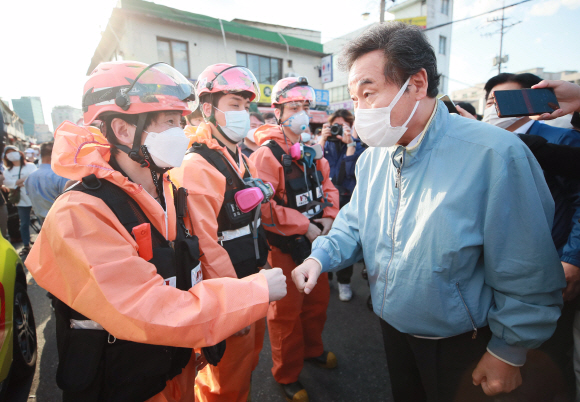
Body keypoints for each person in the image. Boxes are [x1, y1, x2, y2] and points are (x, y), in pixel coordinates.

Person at [291, 22, 565, 401]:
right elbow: (355, 223)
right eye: (354, 99)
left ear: (417, 83)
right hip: (392, 328)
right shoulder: (374, 158)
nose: (360, 110)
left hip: (463, 340)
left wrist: (509, 349)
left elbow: (527, 265)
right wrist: (320, 257)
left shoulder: (494, 154)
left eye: (368, 93)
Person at [25, 60, 287, 402]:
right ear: (122, 130)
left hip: (172, 367)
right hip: (124, 383)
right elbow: (145, 308)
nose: (183, 132)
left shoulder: (165, 189)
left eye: (181, 121)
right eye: (169, 122)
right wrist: (248, 295)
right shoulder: (80, 212)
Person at [170, 63, 274, 402]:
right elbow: (206, 245)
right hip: (229, 289)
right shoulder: (198, 165)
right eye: (234, 104)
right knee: (222, 381)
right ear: (208, 108)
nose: (243, 113)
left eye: (246, 106)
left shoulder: (236, 156)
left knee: (245, 364)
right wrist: (235, 303)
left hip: (251, 276)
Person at [483, 72, 580, 398]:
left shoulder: (557, 139)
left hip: (550, 267)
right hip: (498, 270)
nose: (494, 106)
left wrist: (572, 258)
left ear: (530, 103)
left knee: (548, 357)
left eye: (504, 99)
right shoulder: (480, 141)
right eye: (490, 99)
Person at [250, 76, 340, 401]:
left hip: (318, 243)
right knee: (286, 314)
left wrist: (329, 216)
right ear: (277, 110)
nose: (301, 113)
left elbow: (328, 185)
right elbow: (264, 207)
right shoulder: (266, 155)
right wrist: (305, 225)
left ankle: (313, 350)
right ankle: (287, 373)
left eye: (305, 106)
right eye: (293, 107)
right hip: (287, 248)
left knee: (317, 302)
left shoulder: (313, 149)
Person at [317, 109, 364, 301]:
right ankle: (323, 278)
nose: (337, 130)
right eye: (333, 126)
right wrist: (322, 140)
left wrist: (351, 146)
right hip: (324, 201)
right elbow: (314, 168)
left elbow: (351, 174)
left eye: (342, 126)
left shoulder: (359, 146)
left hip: (347, 200)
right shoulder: (324, 145)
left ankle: (344, 282)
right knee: (322, 239)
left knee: (344, 241)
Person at [24, 142, 68, 225]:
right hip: (61, 220)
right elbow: (69, 199)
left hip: (43, 220)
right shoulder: (60, 176)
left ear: (41, 154)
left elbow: (29, 195)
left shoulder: (31, 177)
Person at [3, 146, 37, 255]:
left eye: (13, 151)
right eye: (8, 153)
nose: (11, 154)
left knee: (43, 221)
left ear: (19, 153)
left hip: (34, 198)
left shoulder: (30, 166)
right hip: (21, 201)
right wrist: (23, 180)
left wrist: (17, 182)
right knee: (24, 223)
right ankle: (26, 245)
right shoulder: (7, 170)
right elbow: (8, 183)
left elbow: (34, 178)